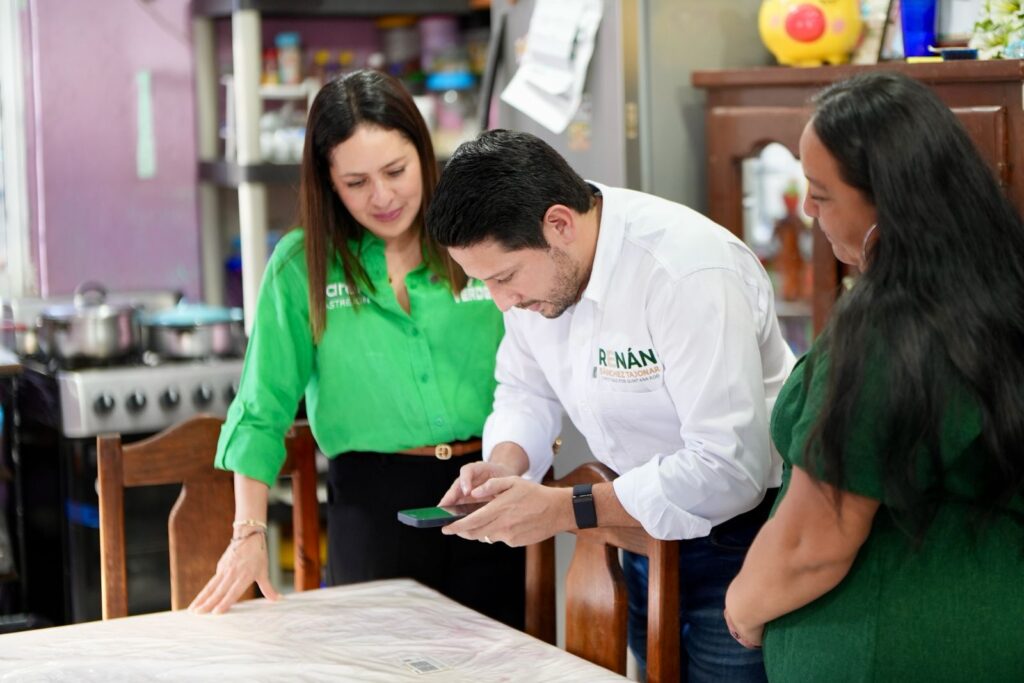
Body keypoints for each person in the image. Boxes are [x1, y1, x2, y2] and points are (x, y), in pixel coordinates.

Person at [425, 129, 795, 682]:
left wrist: (563, 508)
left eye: (504, 277)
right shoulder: (539, 275)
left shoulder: (685, 271)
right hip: (637, 529)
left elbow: (727, 468)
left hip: (743, 538)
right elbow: (525, 389)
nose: (504, 302)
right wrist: (503, 464)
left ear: (559, 224)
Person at [188, 70, 524, 628]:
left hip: (492, 492)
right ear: (328, 182)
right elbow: (261, 409)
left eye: (396, 170)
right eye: (357, 181)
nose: (384, 196)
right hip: (372, 507)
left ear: (424, 153)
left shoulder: (477, 239)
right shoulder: (302, 266)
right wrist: (247, 530)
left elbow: (538, 361)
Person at [723, 71, 1024, 680]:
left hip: (886, 643)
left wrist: (743, 607)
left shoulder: (890, 328)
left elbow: (814, 544)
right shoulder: (1000, 286)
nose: (806, 209)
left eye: (821, 192)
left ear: (888, 199)